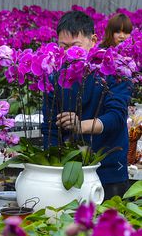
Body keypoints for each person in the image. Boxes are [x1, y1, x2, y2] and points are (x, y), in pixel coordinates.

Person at [44, 10, 132, 200]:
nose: (69, 53)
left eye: (76, 46)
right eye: (63, 46)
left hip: (109, 169)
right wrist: (48, 168)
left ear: (93, 40)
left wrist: (80, 126)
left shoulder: (115, 70)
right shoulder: (54, 75)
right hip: (67, 170)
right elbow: (49, 128)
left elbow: (116, 117)